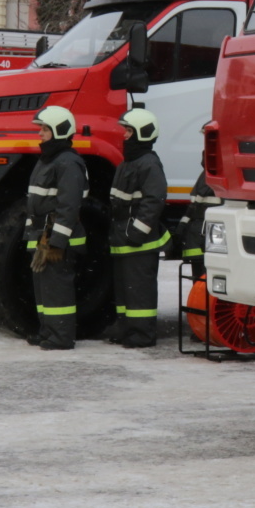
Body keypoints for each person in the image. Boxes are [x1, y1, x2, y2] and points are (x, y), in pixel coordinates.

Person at [25, 105, 87, 349]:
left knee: (57, 289)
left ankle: (61, 337)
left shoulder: (68, 163)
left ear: (60, 131)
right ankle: (47, 331)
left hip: (56, 238)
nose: (40, 133)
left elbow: (68, 207)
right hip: (43, 235)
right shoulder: (49, 159)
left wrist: (57, 242)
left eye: (45, 129)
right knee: (44, 291)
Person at [108, 107, 168, 348]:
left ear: (142, 134)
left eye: (129, 131)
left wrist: (137, 233)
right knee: (125, 291)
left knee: (139, 292)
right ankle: (126, 329)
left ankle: (142, 335)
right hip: (123, 240)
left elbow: (154, 201)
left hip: (139, 243)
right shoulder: (128, 163)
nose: (125, 135)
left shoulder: (149, 164)